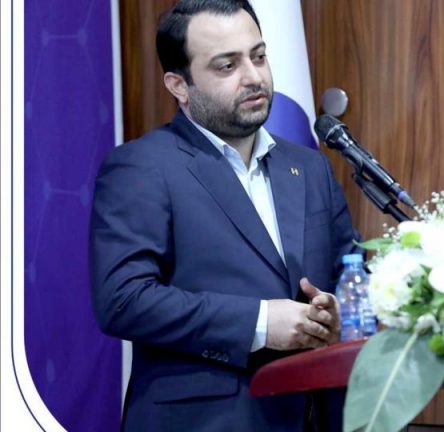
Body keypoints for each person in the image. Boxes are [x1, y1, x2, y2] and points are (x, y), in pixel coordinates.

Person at [89, 1, 359, 430]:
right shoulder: (141, 167)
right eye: (227, 66)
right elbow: (124, 300)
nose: (253, 77)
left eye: (259, 56)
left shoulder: (309, 167)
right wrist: (261, 323)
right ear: (179, 85)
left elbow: (352, 269)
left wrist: (338, 309)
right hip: (205, 420)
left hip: (315, 413)